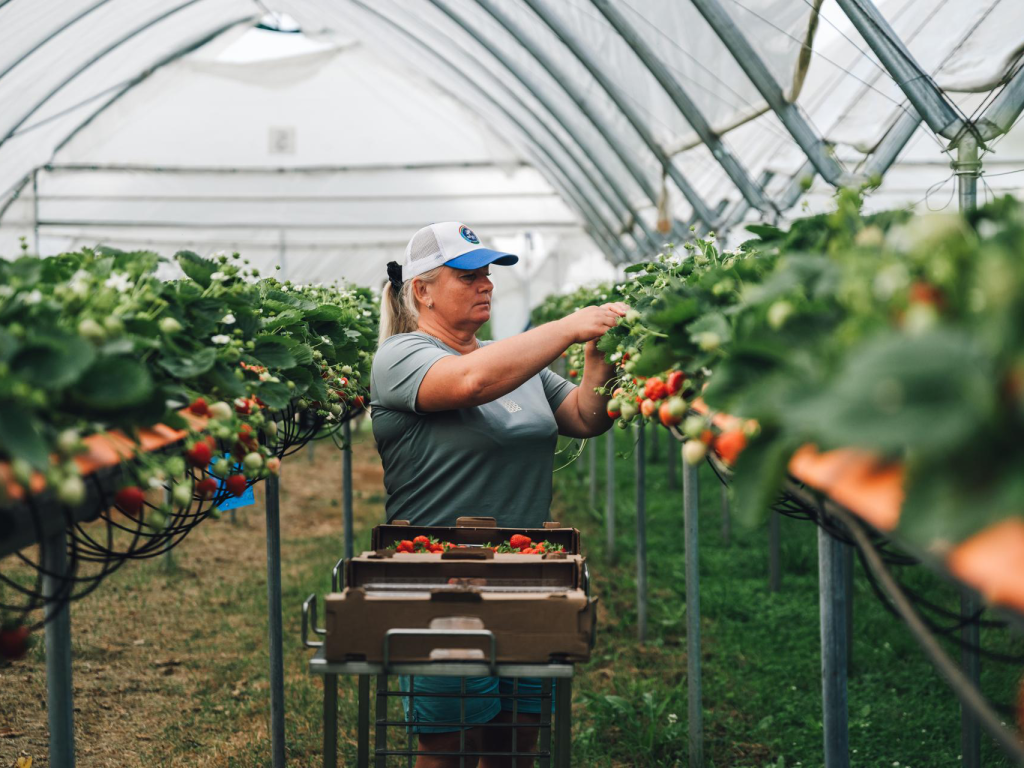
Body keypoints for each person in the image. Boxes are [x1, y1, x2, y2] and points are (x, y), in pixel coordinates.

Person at [369, 221, 626, 767]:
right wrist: (566, 327)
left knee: (517, 736)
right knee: (448, 742)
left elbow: (584, 416)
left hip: (527, 571)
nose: (485, 284)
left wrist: (600, 358)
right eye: (468, 276)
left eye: (487, 274)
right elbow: (468, 383)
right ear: (423, 289)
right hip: (440, 578)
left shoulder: (514, 362)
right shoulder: (400, 358)